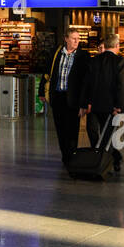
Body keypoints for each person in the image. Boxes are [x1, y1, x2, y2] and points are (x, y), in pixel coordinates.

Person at [78, 32, 124, 173]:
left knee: (93, 131)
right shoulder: (120, 61)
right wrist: (118, 106)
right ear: (117, 45)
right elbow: (120, 85)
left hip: (94, 105)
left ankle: (101, 157)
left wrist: (84, 104)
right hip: (110, 106)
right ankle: (112, 159)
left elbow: (86, 84)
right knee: (109, 135)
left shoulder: (94, 60)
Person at [47, 29, 84, 163]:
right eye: (74, 38)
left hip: (73, 99)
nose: (76, 41)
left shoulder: (82, 56)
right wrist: (42, 92)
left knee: (73, 129)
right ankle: (65, 154)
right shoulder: (56, 54)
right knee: (60, 128)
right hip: (58, 97)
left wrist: (84, 103)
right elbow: (48, 72)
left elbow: (85, 81)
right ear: (66, 39)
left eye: (78, 38)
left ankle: (72, 154)